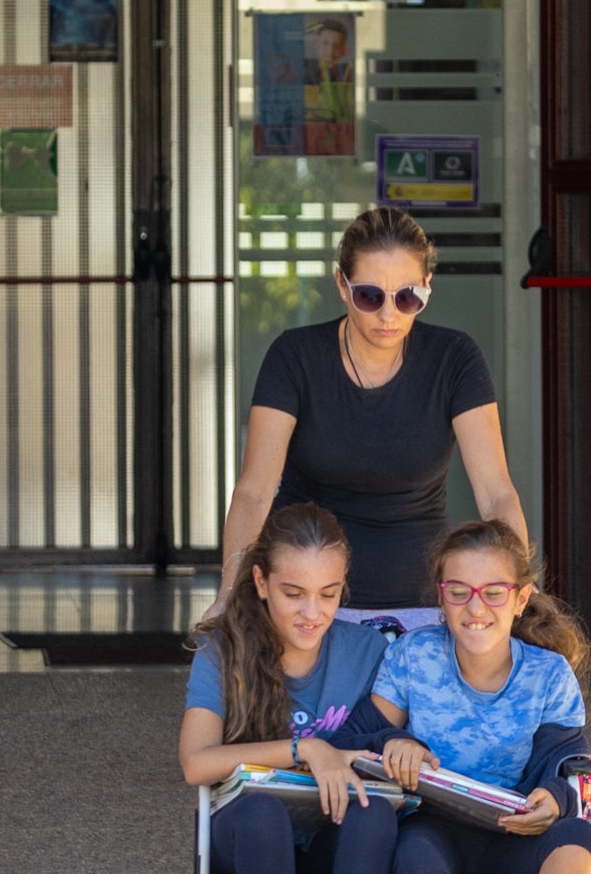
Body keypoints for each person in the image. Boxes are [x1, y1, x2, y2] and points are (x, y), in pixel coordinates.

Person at [176, 504, 402, 874]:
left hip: (331, 842)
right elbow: (196, 762)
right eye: (293, 593)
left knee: (375, 811)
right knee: (258, 812)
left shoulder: (367, 651)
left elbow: (395, 741)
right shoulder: (222, 651)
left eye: (328, 594)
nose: (312, 613)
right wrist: (307, 749)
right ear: (260, 583)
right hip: (248, 839)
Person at [366, 520, 591, 874]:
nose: (477, 607)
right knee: (412, 859)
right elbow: (363, 733)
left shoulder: (547, 674)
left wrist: (552, 799)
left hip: (512, 828)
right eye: (459, 592)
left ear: (520, 599)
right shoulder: (411, 657)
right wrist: (395, 742)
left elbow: (564, 756)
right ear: (440, 599)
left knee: (575, 839)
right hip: (434, 828)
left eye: (494, 592)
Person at [218, 204, 530, 612]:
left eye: (407, 297)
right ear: (342, 285)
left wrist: (519, 590)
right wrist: (229, 594)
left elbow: (495, 493)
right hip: (305, 601)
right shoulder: (295, 356)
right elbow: (254, 492)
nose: (388, 314)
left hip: (422, 601)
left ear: (427, 286)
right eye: (369, 295)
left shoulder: (454, 358)